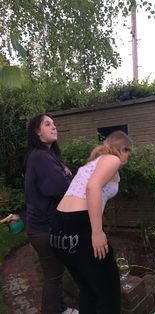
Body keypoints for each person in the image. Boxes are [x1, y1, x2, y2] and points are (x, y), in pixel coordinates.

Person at [49, 130, 132, 314]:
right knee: (109, 293)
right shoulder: (112, 159)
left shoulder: (92, 163)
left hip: (58, 230)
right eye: (128, 152)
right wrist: (97, 231)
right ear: (123, 148)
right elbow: (92, 187)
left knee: (89, 291)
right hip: (79, 224)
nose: (128, 157)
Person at [24, 114, 79, 314]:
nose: (54, 127)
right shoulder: (39, 156)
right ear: (37, 132)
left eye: (54, 124)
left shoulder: (48, 156)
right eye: (48, 124)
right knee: (53, 275)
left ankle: (61, 309)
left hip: (48, 226)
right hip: (43, 229)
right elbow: (59, 188)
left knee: (56, 272)